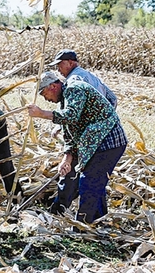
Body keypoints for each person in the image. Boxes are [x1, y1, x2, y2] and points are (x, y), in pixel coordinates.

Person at [26, 71, 127, 224]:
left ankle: (83, 226)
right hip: (95, 142)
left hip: (108, 141)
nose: (45, 98)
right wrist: (67, 157)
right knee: (95, 184)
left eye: (43, 93)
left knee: (89, 183)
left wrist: (41, 113)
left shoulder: (74, 89)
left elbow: (70, 116)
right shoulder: (65, 99)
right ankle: (97, 223)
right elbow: (69, 130)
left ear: (53, 86)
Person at [48, 49, 117, 108]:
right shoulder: (89, 75)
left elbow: (73, 111)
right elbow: (113, 98)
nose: (58, 70)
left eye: (60, 65)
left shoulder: (74, 79)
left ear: (70, 62)